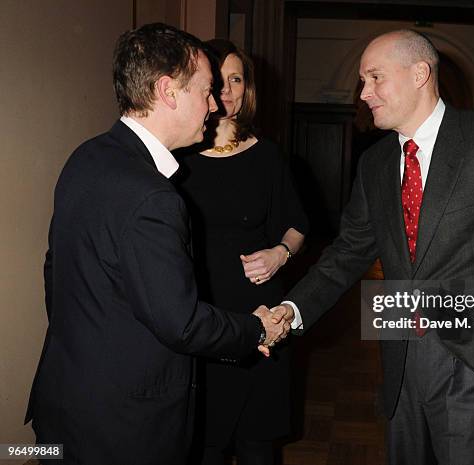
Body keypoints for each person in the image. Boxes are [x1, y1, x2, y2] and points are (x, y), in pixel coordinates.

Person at [275, 30, 474, 464]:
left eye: (374, 77)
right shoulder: (376, 163)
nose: (365, 93)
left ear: (420, 73)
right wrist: (291, 310)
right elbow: (347, 253)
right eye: (362, 81)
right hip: (400, 354)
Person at [25, 23, 290, 465]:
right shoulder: (153, 196)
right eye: (206, 91)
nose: (213, 105)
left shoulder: (87, 156)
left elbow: (57, 271)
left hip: (66, 401)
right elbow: (180, 323)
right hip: (124, 426)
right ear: (168, 91)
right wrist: (258, 329)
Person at [176, 39, 308, 465]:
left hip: (260, 310)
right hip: (202, 313)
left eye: (237, 79)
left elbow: (298, 223)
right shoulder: (178, 156)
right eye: (219, 80)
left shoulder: (266, 154)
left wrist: (280, 254)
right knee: (205, 443)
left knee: (257, 443)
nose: (228, 90)